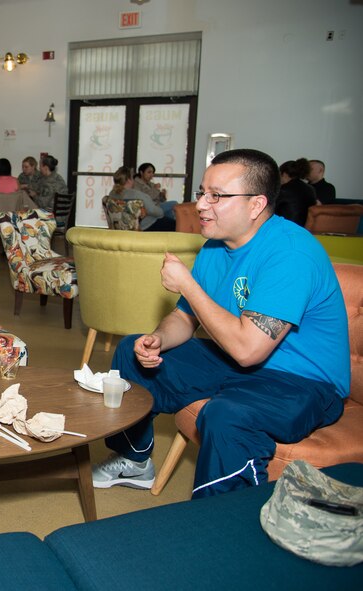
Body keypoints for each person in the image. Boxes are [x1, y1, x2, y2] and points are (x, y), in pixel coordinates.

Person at [92, 149, 348, 499]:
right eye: (202, 192)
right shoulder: (215, 247)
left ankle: (222, 518)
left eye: (217, 196)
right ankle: (134, 460)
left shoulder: (291, 253)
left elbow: (248, 350)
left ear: (256, 205)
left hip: (303, 380)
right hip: (235, 360)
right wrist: (158, 339)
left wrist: (188, 285)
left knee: (227, 415)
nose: (201, 205)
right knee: (130, 351)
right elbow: (184, 317)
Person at [108, 166, 175, 231]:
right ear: (129, 180)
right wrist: (160, 211)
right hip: (145, 225)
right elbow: (154, 211)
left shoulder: (112, 194)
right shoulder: (135, 194)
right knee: (175, 224)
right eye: (132, 177)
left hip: (123, 226)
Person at [276, 158, 317, 227]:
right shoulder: (311, 189)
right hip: (306, 229)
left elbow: (271, 211)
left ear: (284, 174)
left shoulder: (283, 190)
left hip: (286, 227)